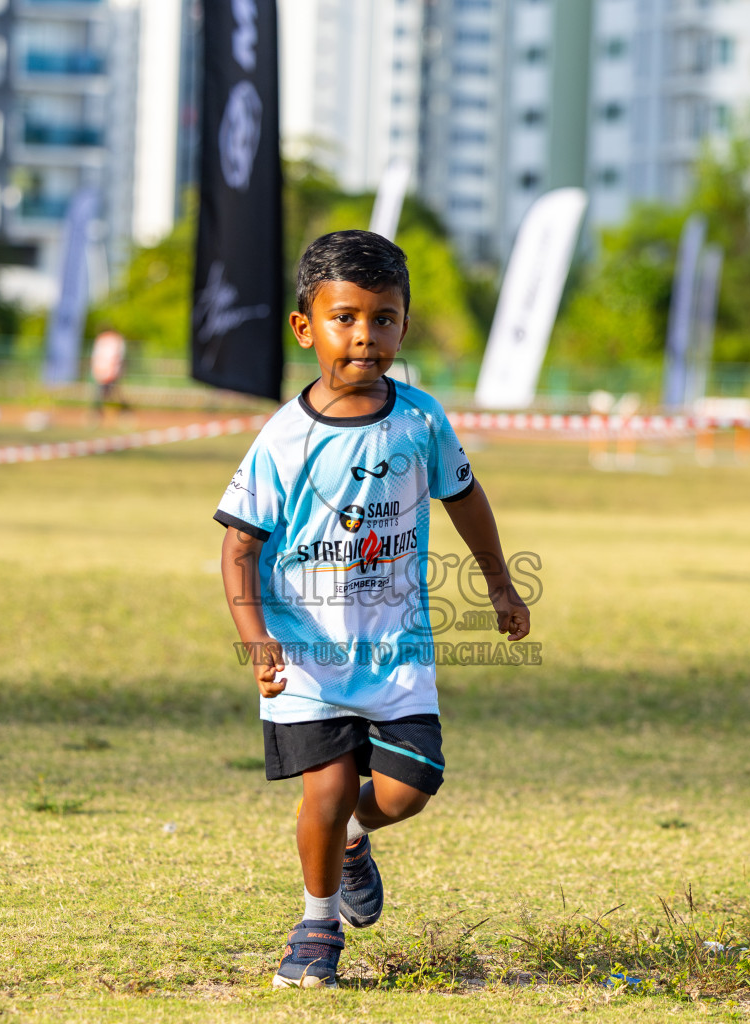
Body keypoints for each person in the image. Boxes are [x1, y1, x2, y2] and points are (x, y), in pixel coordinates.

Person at [214, 230, 531, 989]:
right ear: (305, 327)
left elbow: (466, 499)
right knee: (321, 789)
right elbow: (237, 549)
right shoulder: (282, 441)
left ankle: (355, 833)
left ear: (404, 326)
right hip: (307, 655)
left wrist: (498, 583)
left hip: (397, 652)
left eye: (383, 318)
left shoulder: (421, 421)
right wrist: (256, 639)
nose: (365, 336)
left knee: (409, 788)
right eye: (345, 317)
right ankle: (316, 927)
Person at [88, 323, 128, 425]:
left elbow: (117, 357)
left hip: (110, 372)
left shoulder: (114, 340)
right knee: (101, 395)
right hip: (103, 372)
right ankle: (97, 415)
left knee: (114, 395)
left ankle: (124, 413)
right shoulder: (103, 340)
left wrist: (113, 371)